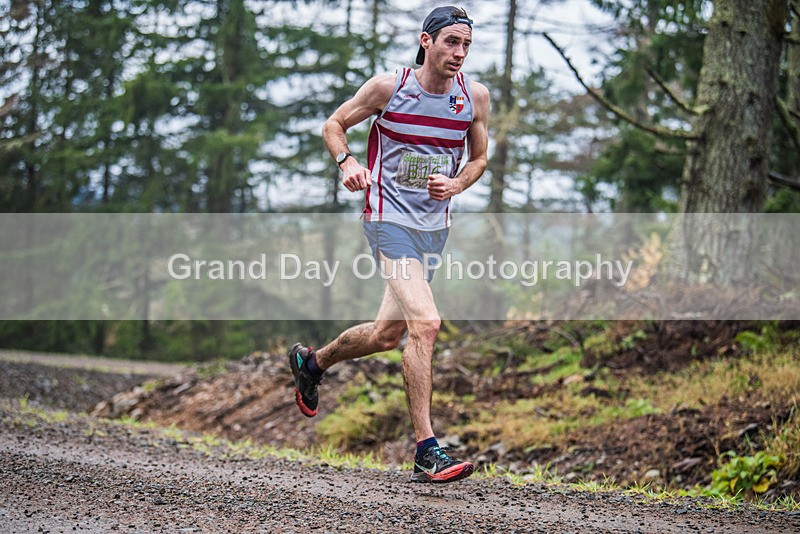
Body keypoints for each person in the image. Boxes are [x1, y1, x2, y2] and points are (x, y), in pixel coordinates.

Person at [289, 5, 490, 484]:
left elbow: (479, 158)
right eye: (451, 42)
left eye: (466, 44)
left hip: (433, 228)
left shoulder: (474, 97)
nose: (459, 52)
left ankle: (312, 363)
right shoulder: (389, 88)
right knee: (427, 324)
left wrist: (457, 184)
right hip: (387, 219)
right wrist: (348, 163)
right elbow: (334, 124)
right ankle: (426, 450)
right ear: (426, 41)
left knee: (386, 335)